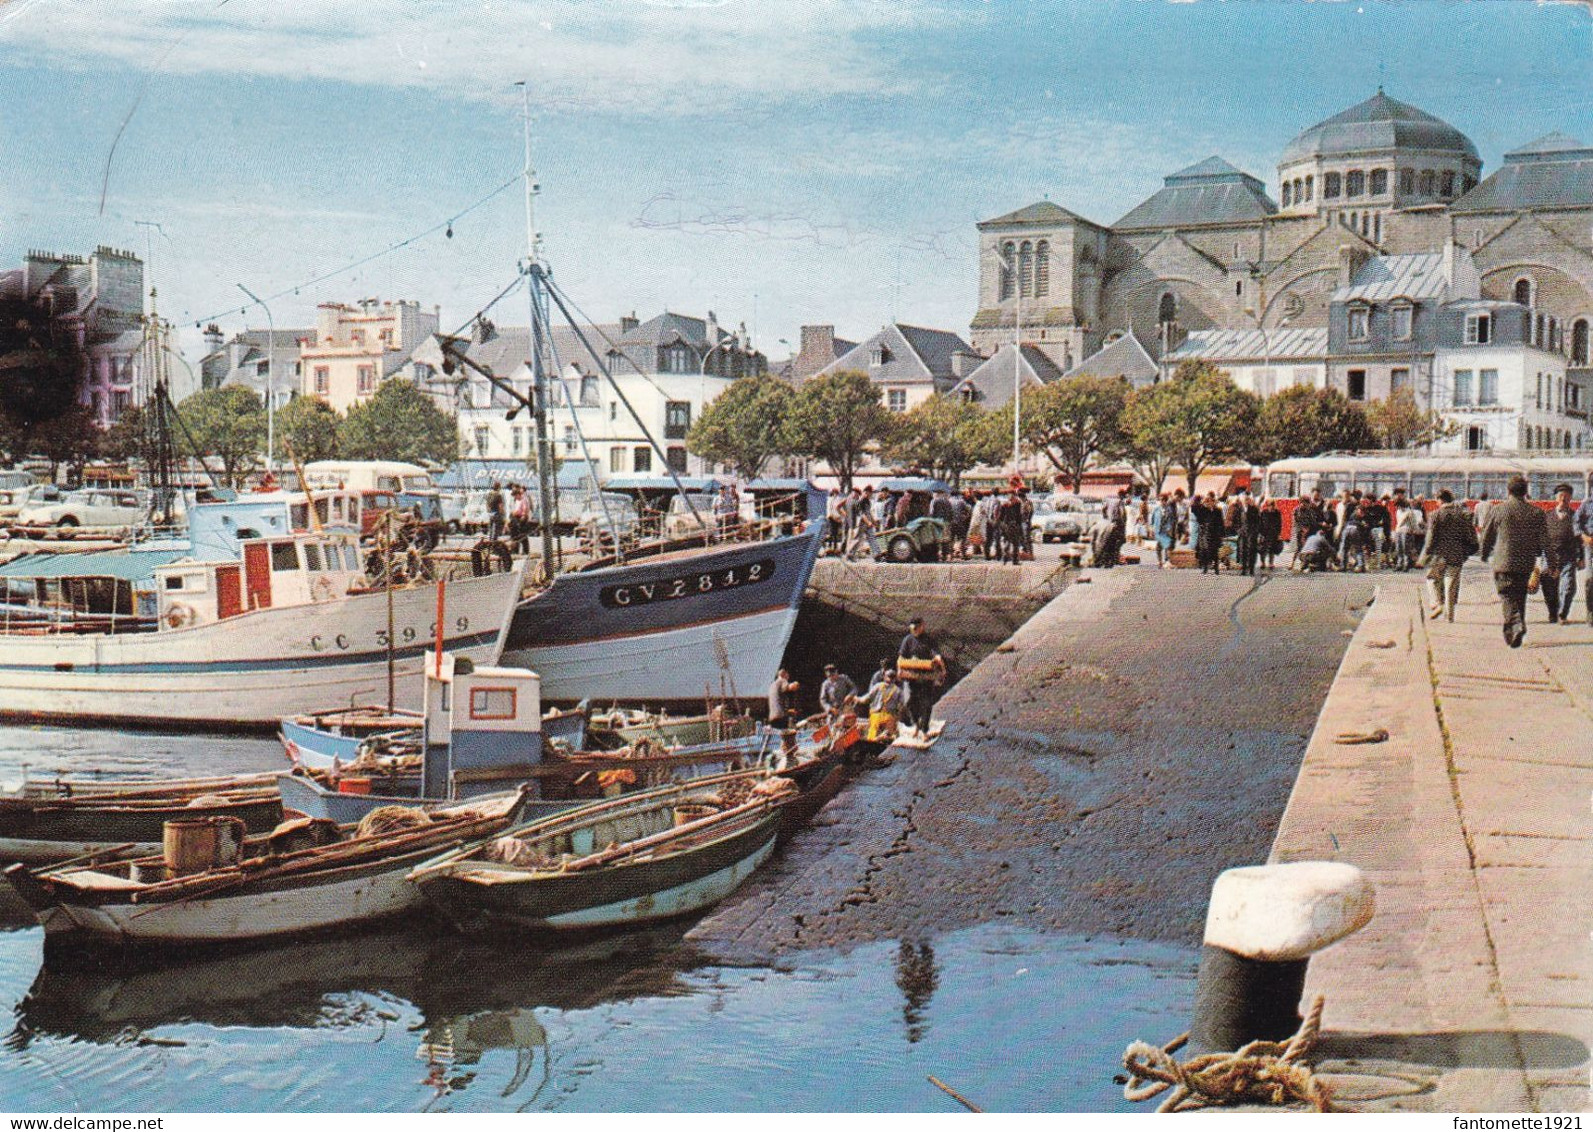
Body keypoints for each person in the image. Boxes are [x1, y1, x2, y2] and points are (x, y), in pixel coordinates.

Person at [1479, 474, 1548, 648]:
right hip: (1526, 563)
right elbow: (1546, 541)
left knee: (1507, 595)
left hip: (1504, 562)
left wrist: (1484, 554)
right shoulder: (1536, 512)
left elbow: (1487, 536)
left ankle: (1517, 625)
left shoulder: (1498, 510)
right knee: (1520, 595)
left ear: (1508, 491)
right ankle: (1515, 634)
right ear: (1525, 492)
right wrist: (1552, 563)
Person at [1420, 488, 1476, 622]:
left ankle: (1438, 604)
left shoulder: (1435, 515)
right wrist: (1465, 553)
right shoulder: (1462, 515)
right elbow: (1471, 538)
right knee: (1451, 584)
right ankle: (1450, 616)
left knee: (1431, 579)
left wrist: (1423, 558)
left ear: (1440, 500)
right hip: (1456, 555)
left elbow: (1430, 539)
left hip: (1438, 556)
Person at [897, 616, 946, 736]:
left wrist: (941, 668)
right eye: (913, 628)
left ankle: (924, 730)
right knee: (909, 702)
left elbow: (936, 655)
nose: (915, 630)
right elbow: (901, 657)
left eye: (917, 628)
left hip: (926, 676)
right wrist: (899, 670)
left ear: (922, 626)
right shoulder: (907, 640)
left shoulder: (929, 640)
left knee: (926, 703)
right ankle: (916, 724)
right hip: (911, 676)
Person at [1541, 483, 1581, 625]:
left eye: (1566, 496)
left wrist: (1581, 557)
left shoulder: (1575, 516)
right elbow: (1541, 535)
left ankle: (1562, 614)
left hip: (1568, 555)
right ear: (1556, 497)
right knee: (1548, 585)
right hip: (1549, 555)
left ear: (1570, 498)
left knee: (1569, 586)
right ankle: (1553, 612)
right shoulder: (1548, 515)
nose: (1563, 498)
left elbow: (1579, 538)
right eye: (1561, 495)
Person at [864, 669, 905, 745]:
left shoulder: (878, 686)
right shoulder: (898, 690)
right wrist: (898, 717)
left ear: (884, 677)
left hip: (876, 716)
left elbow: (867, 698)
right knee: (890, 739)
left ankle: (871, 747)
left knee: (871, 737)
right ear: (895, 678)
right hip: (890, 718)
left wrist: (856, 699)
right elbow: (902, 706)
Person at [995, 490, 1025, 566]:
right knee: (1015, 543)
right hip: (1013, 525)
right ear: (1014, 496)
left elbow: (1000, 517)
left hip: (1006, 525)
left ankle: (1005, 558)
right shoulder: (1017, 504)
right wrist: (1019, 526)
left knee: (1007, 541)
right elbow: (1019, 516)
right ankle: (1015, 560)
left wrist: (1001, 525)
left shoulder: (1004, 504)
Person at [1236, 494, 1262, 576]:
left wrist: (1256, 532)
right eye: (1245, 501)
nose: (1246, 502)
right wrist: (1239, 530)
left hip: (1252, 533)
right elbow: (1237, 520)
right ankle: (1244, 569)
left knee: (1251, 551)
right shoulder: (1240, 509)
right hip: (1243, 533)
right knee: (1242, 551)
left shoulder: (1254, 509)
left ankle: (1251, 569)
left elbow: (1258, 522)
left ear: (1249, 501)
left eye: (1247, 500)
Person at [1578, 487, 1593, 627]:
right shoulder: (1586, 504)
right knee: (1590, 579)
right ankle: (1591, 612)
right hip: (1591, 545)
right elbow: (1576, 523)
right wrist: (1584, 536)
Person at [1153, 492, 1177, 568]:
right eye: (1160, 500)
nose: (1161, 502)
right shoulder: (1156, 509)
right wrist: (1151, 528)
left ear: (1166, 501)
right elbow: (1153, 518)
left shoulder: (1169, 510)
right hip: (1159, 530)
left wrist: (1170, 528)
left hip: (1166, 530)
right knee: (1158, 547)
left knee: (1167, 546)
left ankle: (1167, 561)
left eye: (1163, 500)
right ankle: (1160, 561)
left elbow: (1172, 520)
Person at [1258, 498, 1283, 571]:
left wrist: (1279, 534)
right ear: (1267, 505)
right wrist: (1261, 534)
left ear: (1274, 505)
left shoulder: (1277, 512)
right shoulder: (1264, 512)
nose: (1271, 507)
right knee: (1262, 548)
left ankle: (1271, 563)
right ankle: (1262, 563)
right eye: (1269, 505)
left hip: (1273, 533)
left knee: (1272, 548)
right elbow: (1260, 523)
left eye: (1272, 505)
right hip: (1265, 533)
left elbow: (1279, 524)